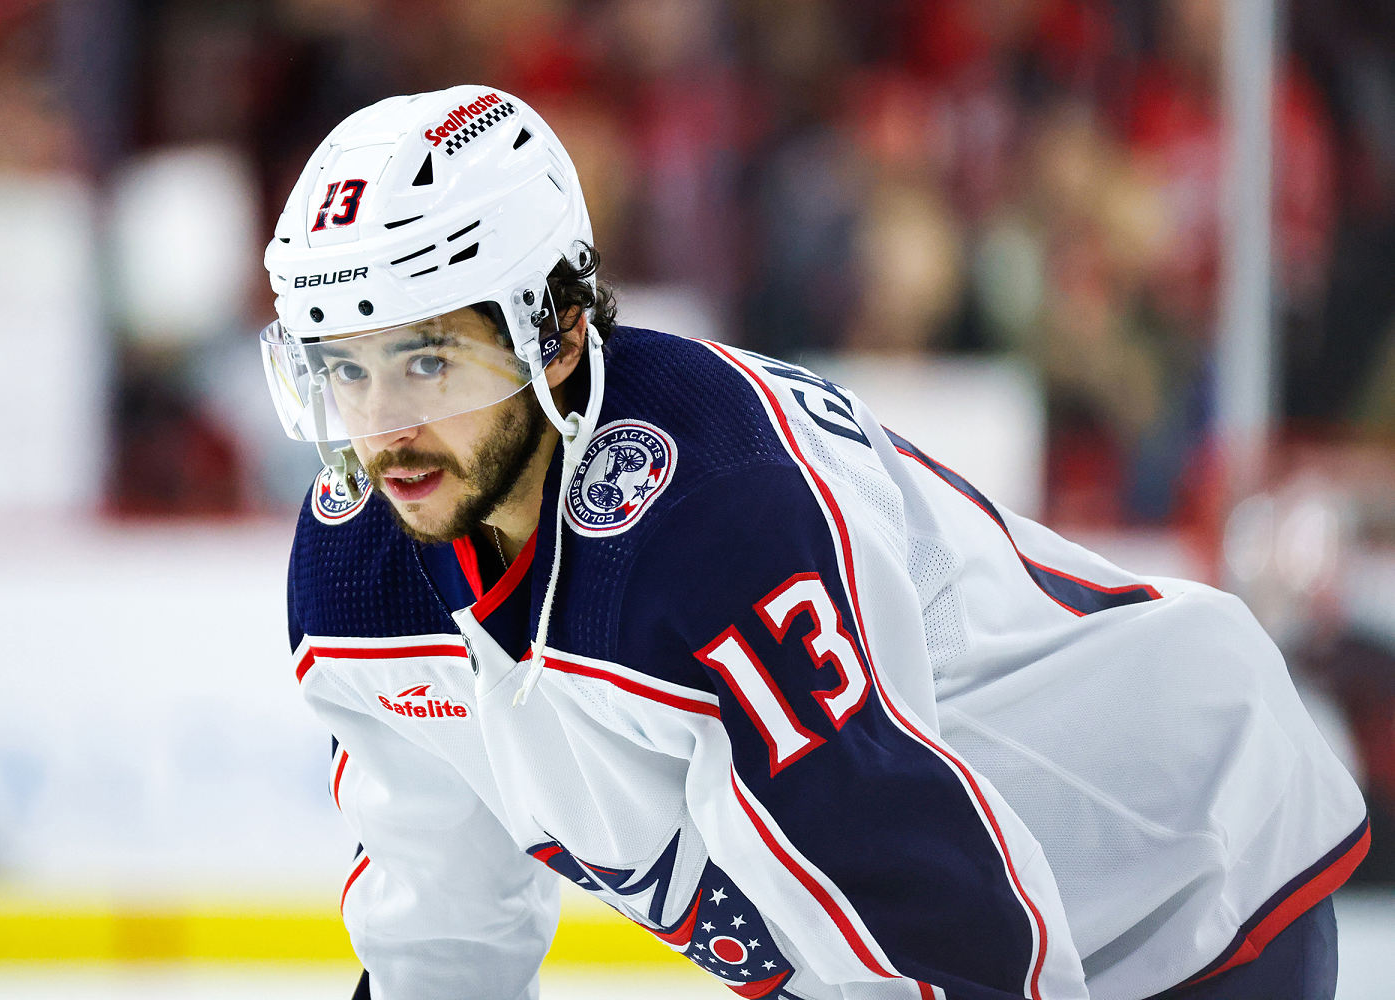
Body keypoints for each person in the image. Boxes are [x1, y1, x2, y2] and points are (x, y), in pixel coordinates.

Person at [257, 86, 1367, 1000]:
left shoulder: (713, 519)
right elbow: (442, 929)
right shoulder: (360, 570)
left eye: (427, 359)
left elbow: (930, 927)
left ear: (553, 330)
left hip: (1175, 863)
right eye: (344, 368)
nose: (383, 426)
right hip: (973, 910)